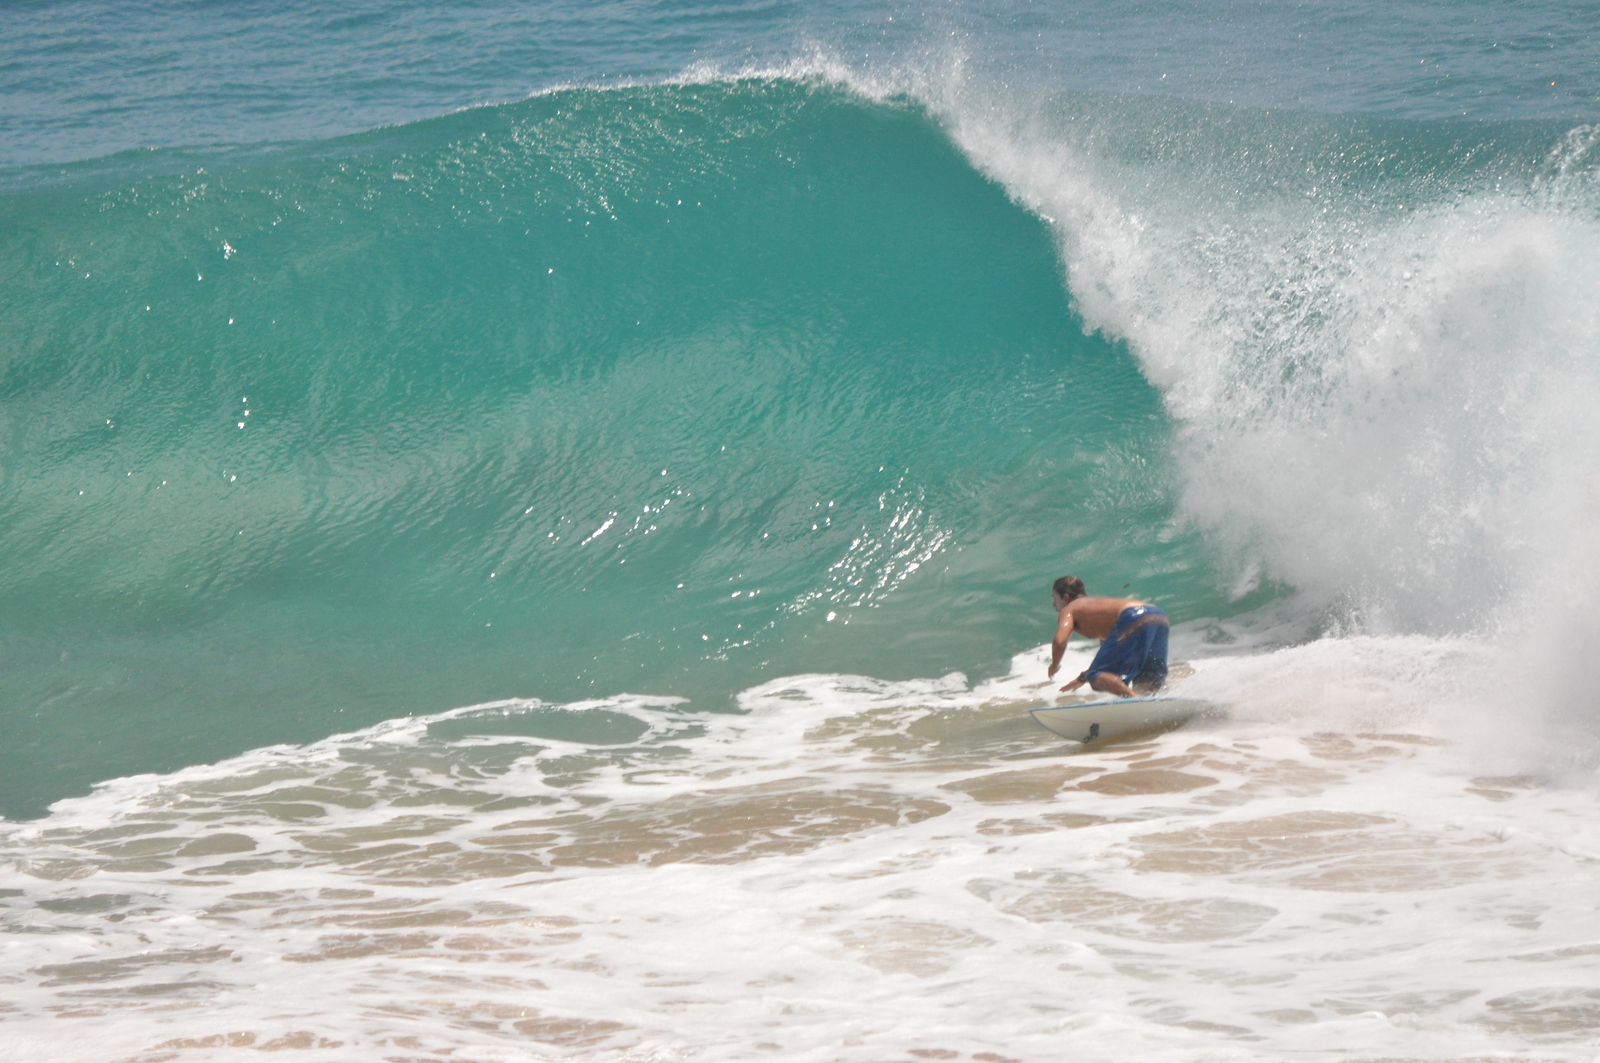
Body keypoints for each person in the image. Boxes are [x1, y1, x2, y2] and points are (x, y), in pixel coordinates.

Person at [1046, 575, 1168, 697]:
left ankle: (1137, 701)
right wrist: (1082, 679)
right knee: (1147, 676)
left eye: (1055, 598)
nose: (1053, 604)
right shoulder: (1097, 611)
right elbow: (1106, 663)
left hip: (1133, 616)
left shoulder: (1069, 609)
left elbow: (1059, 642)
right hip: (1158, 615)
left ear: (1066, 598)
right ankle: (1157, 706)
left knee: (1097, 675)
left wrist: (1054, 665)